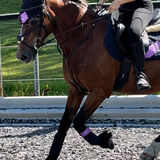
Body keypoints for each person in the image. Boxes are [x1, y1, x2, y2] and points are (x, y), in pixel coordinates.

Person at [97, 0, 153, 91]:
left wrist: (118, 2)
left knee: (134, 32)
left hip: (141, 8)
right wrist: (102, 1)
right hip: (123, 10)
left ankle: (140, 75)